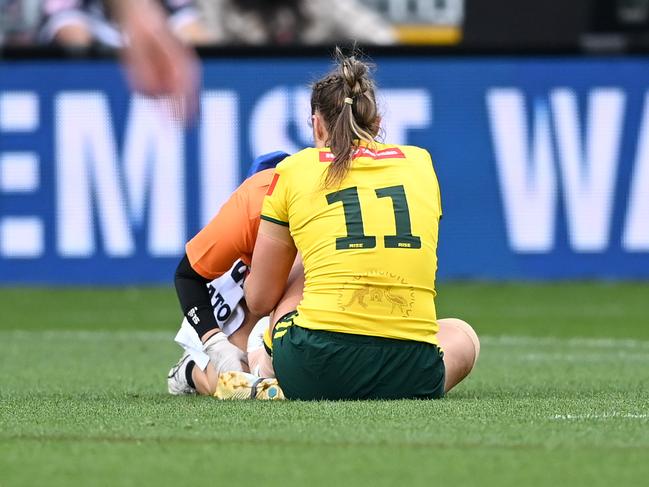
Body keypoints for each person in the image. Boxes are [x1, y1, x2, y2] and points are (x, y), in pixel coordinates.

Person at [244, 49, 479, 400]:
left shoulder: (295, 169)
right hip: (411, 370)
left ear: (317, 124)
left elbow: (260, 299)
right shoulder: (421, 163)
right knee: (463, 334)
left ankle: (259, 369)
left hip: (314, 367)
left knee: (305, 265)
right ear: (378, 122)